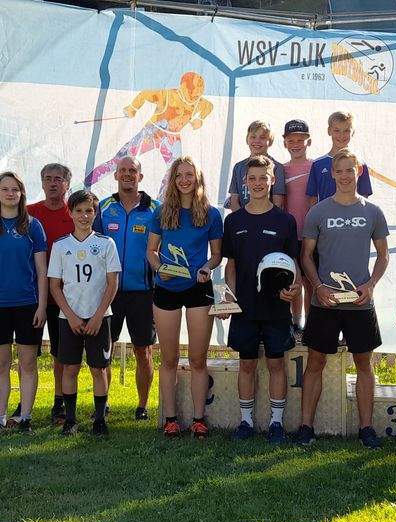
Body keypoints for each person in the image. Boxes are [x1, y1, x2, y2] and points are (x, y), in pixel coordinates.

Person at [297, 150, 390, 449]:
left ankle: (366, 428)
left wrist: (371, 285)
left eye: (351, 170)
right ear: (333, 174)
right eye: (340, 171)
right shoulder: (318, 212)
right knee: (315, 362)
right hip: (325, 302)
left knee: (364, 363)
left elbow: (384, 255)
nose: (346, 176)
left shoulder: (373, 212)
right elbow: (305, 256)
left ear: (359, 171)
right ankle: (305, 427)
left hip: (360, 302)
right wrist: (318, 287)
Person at [221, 155, 301, 443]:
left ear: (272, 181)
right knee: (247, 364)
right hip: (245, 307)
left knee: (277, 364)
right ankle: (245, 422)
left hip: (276, 307)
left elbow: (294, 264)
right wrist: (230, 295)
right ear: (245, 182)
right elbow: (230, 265)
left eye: (262, 178)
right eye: (252, 178)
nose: (257, 183)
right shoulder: (234, 221)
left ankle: (276, 424)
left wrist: (292, 289)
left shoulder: (285, 221)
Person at [146, 156, 223, 439]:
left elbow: (215, 255)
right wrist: (159, 269)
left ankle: (199, 419)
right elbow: (152, 252)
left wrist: (207, 268)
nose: (184, 180)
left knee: (198, 360)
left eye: (189, 174)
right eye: (179, 175)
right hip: (166, 287)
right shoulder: (162, 211)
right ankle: (170, 419)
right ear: (173, 180)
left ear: (198, 178)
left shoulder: (212, 214)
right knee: (168, 359)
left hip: (197, 289)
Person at [0, 172, 47, 435]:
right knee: (1, 365)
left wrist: (42, 305)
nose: (10, 193)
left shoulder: (33, 226)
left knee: (28, 364)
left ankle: (26, 417)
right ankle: (0, 419)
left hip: (28, 304)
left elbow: (42, 270)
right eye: (5, 189)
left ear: (21, 193)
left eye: (14, 189)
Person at [48, 190, 121, 436]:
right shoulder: (60, 246)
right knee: (69, 368)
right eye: (78, 211)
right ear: (70, 213)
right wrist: (70, 315)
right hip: (69, 318)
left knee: (98, 369)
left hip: (99, 317)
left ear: (95, 212)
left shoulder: (105, 243)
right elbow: (54, 286)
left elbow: (112, 283)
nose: (83, 216)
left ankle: (99, 420)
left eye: (88, 210)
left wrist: (99, 315)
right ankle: (70, 419)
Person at [93, 156, 158, 420]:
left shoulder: (156, 209)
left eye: (133, 171)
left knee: (143, 350)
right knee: (104, 349)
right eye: (123, 171)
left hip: (143, 291)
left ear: (140, 176)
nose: (128, 174)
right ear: (116, 175)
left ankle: (142, 406)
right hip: (109, 292)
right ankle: (103, 402)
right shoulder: (104, 208)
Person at [11, 163, 75, 426]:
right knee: (27, 353)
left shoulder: (76, 214)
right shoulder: (28, 213)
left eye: (58, 179)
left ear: (67, 185)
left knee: (61, 353)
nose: (52, 183)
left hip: (64, 295)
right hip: (32, 295)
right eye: (47, 178)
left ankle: (59, 404)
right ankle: (23, 404)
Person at [84, 71, 214, 195]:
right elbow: (145, 94)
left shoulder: (199, 103)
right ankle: (84, 186)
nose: (193, 97)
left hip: (172, 139)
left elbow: (209, 107)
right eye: (192, 93)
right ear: (183, 87)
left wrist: (200, 119)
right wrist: (132, 108)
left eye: (197, 95)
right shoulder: (167, 95)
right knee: (119, 161)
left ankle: (163, 204)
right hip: (152, 133)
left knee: (174, 171)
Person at [281, 119, 314, 336]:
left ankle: (312, 323)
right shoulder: (280, 169)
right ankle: (296, 323)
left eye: (300, 140)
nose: (296, 144)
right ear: (284, 143)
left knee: (310, 280)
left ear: (308, 141)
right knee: (293, 280)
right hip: (288, 234)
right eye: (291, 140)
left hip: (312, 233)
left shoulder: (316, 167)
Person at [305, 111, 372, 206]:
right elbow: (313, 199)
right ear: (329, 131)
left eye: (346, 130)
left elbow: (364, 198)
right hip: (326, 218)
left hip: (352, 218)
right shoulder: (318, 164)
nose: (341, 135)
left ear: (353, 132)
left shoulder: (360, 163)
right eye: (337, 130)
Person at [227, 120, 287, 211]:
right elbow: (234, 201)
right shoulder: (238, 167)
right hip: (244, 221)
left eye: (262, 138)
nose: (257, 141)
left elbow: (278, 203)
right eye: (253, 137)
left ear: (270, 141)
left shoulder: (277, 167)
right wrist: (243, 219)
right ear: (247, 140)